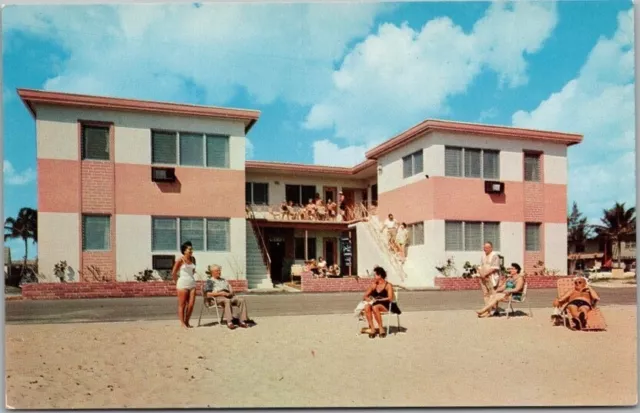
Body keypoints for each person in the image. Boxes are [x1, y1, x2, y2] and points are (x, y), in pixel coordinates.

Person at [204, 264, 250, 329]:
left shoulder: (223, 280)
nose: (219, 272)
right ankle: (229, 322)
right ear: (212, 272)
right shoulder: (210, 281)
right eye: (217, 271)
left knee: (241, 300)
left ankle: (242, 321)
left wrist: (230, 293)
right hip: (216, 298)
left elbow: (230, 288)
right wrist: (221, 293)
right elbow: (208, 294)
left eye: (219, 270)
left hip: (228, 296)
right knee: (227, 300)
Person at [361, 266, 401, 338]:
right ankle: (372, 329)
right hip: (375, 303)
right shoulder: (374, 284)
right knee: (367, 307)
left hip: (388, 304)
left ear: (379, 276)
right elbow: (365, 296)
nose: (373, 277)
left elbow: (390, 298)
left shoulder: (388, 285)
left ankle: (381, 329)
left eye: (375, 275)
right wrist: (368, 299)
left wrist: (379, 300)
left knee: (375, 307)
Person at [171, 241, 197, 329]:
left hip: (192, 283)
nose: (191, 250)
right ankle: (182, 323)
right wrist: (176, 282)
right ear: (184, 250)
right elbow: (174, 273)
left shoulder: (193, 259)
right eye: (189, 249)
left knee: (191, 304)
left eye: (191, 249)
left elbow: (193, 271)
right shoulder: (180, 260)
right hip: (182, 284)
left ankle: (187, 321)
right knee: (182, 304)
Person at [477, 242, 501, 310]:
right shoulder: (483, 256)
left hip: (491, 277)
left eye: (487, 247)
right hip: (483, 277)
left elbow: (494, 268)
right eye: (484, 247)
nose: (485, 249)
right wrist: (481, 274)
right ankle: (487, 309)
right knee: (485, 293)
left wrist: (485, 274)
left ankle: (495, 309)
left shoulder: (494, 256)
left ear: (491, 248)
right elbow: (481, 266)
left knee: (493, 294)